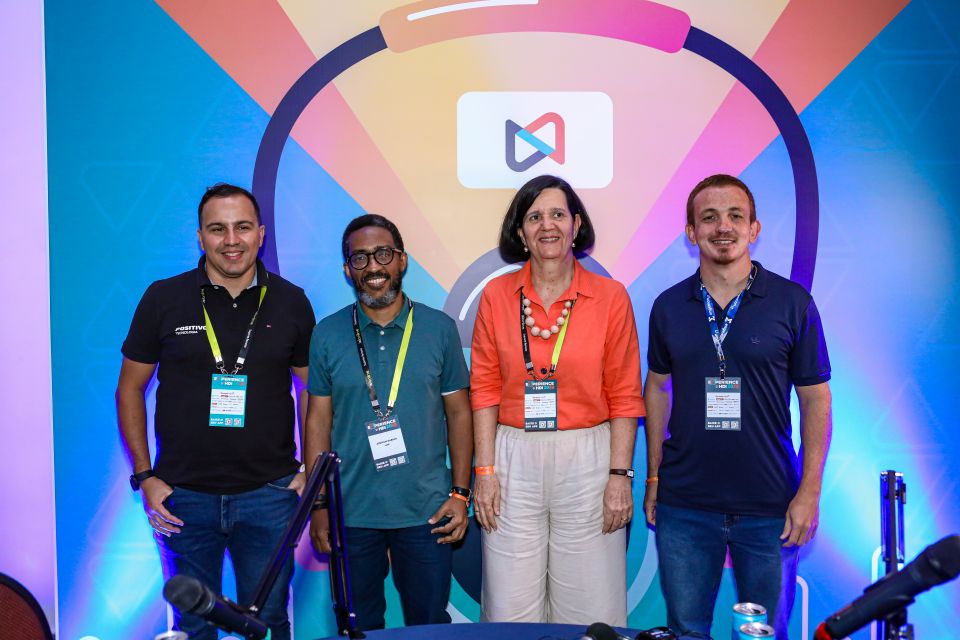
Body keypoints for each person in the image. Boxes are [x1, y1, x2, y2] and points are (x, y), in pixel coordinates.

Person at [116, 184, 315, 640]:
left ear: (261, 233)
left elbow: (312, 389)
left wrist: (308, 467)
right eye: (217, 229)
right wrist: (145, 476)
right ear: (200, 237)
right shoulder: (163, 298)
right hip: (183, 497)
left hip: (269, 495)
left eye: (242, 227)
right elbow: (130, 388)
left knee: (268, 623)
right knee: (192, 625)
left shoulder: (291, 301)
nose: (231, 240)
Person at [643, 174, 833, 639]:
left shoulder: (793, 303)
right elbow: (657, 389)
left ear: (754, 228)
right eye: (709, 218)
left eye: (735, 216)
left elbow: (816, 399)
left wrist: (809, 492)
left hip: (771, 506)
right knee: (687, 632)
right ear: (692, 233)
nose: (723, 227)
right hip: (685, 506)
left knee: (765, 634)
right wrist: (654, 478)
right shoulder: (668, 307)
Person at [470, 174, 645, 624]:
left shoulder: (610, 297)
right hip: (511, 457)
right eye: (534, 217)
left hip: (588, 459)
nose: (547, 225)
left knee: (590, 608)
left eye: (557, 214)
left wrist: (620, 476)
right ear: (520, 231)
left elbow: (625, 395)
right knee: (509, 608)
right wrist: (484, 472)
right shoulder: (496, 296)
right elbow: (485, 388)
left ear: (576, 224)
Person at [304, 214, 473, 631]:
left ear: (402, 260)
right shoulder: (327, 334)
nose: (373, 267)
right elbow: (317, 420)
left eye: (383, 254)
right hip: (350, 511)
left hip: (427, 510)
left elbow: (459, 413)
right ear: (347, 270)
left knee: (428, 626)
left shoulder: (438, 329)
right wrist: (319, 505)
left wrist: (460, 493)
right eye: (359, 258)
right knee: (358, 628)